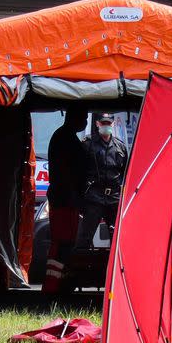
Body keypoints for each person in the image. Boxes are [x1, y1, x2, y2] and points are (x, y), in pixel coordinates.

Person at [42, 107, 88, 294]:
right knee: (62, 243)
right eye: (83, 117)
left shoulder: (65, 137)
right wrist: (75, 198)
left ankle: (58, 285)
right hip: (65, 200)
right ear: (73, 117)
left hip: (68, 199)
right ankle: (52, 287)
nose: (85, 122)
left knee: (65, 244)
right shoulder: (64, 138)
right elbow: (66, 173)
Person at [75, 113, 128, 249]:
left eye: (108, 123)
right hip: (94, 197)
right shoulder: (87, 145)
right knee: (84, 238)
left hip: (114, 197)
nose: (106, 126)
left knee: (117, 238)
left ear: (113, 124)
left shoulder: (120, 147)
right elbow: (79, 172)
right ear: (98, 124)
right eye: (103, 123)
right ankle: (80, 268)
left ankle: (112, 269)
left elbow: (125, 173)